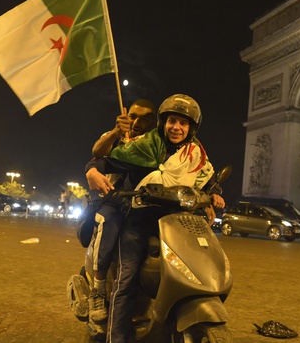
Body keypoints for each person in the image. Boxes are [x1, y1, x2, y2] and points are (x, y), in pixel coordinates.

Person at [85, 94, 225, 343]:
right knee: (126, 278)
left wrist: (214, 194)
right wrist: (92, 170)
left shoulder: (194, 155)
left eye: (183, 123)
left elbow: (208, 178)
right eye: (172, 121)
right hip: (139, 219)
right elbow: (103, 160)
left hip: (175, 222)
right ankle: (116, 337)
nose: (177, 128)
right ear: (163, 123)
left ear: (191, 128)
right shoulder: (143, 145)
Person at [82, 99, 158, 324]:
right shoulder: (115, 136)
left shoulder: (153, 143)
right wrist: (116, 132)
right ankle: (98, 290)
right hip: (115, 201)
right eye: (133, 116)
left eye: (144, 119)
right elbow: (98, 153)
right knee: (109, 226)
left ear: (153, 122)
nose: (137, 122)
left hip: (145, 205)